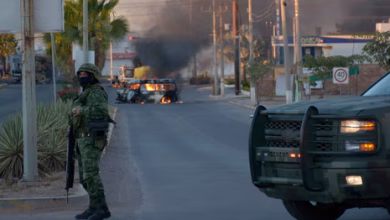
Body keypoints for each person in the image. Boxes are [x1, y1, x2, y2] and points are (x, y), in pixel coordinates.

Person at [70, 63, 111, 220]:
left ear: (92, 76)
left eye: (85, 75)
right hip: (82, 138)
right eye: (79, 75)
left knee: (91, 175)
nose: (82, 77)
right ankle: (93, 207)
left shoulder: (96, 92)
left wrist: (82, 110)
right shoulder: (86, 92)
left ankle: (102, 208)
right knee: (84, 177)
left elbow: (101, 110)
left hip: (92, 138)